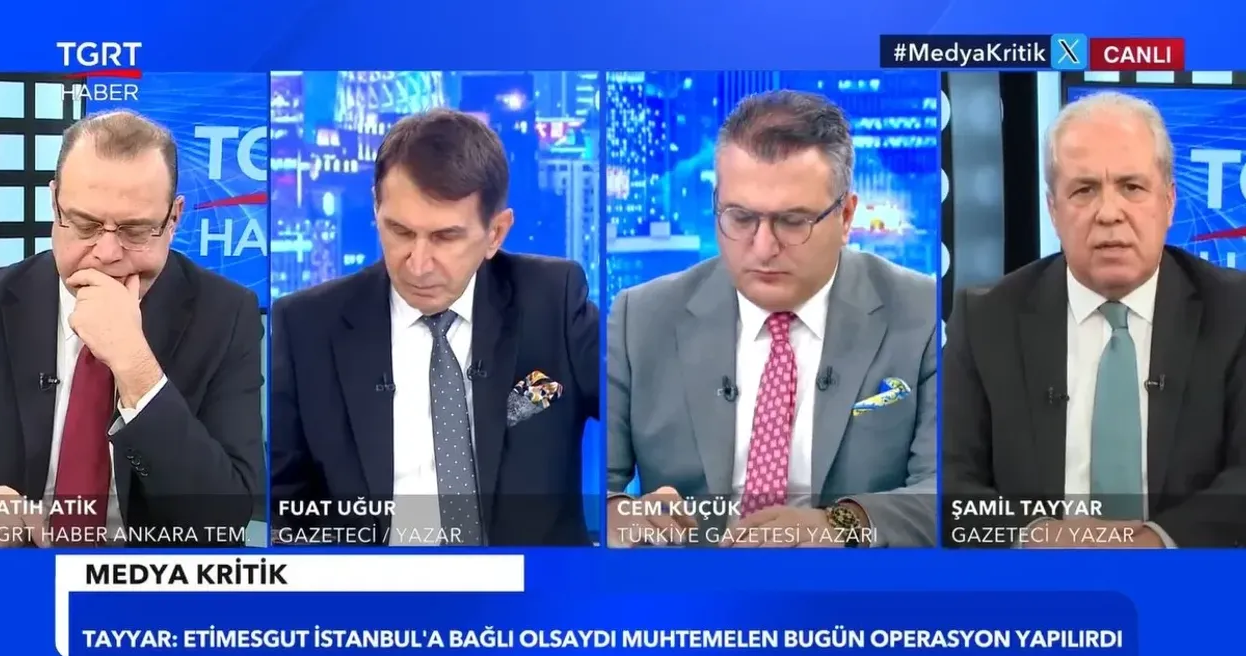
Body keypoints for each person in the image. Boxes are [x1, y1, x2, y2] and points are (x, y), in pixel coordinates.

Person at [605, 90, 937, 549]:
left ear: (845, 217)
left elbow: (946, 492)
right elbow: (588, 488)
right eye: (740, 218)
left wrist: (840, 526)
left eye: (793, 221)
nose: (763, 248)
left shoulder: (922, 313)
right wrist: (618, 515)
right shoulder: (640, 318)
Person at [271, 108, 598, 547]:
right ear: (376, 209)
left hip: (532, 586)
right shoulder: (306, 327)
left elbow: (635, 405)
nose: (419, 265)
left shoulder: (552, 300)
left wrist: (618, 498)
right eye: (400, 231)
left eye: (445, 237)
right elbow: (283, 511)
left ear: (495, 233)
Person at [943, 91, 1246, 549]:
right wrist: (1033, 535)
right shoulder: (986, 319)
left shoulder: (1235, 311)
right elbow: (950, 480)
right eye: (1084, 190)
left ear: (1168, 202)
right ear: (1053, 210)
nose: (1109, 214)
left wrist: (1153, 544)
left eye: (1132, 187)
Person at [0, 110, 264, 548]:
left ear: (173, 218)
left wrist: (135, 367)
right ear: (54, 203)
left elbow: (224, 519)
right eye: (85, 225)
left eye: (135, 230)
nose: (107, 253)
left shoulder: (226, 314)